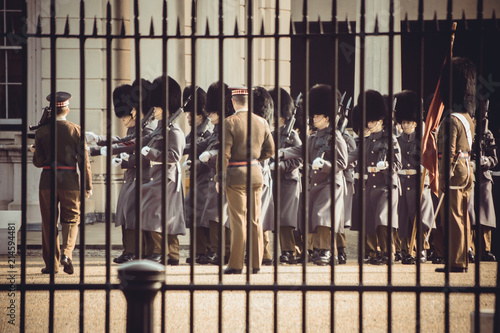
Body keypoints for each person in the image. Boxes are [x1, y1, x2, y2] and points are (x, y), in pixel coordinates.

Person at [86, 82, 155, 264]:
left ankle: (135, 251)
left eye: (125, 115)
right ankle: (130, 250)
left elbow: (145, 158)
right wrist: (98, 141)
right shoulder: (135, 128)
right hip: (131, 178)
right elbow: (122, 141)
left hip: (142, 178)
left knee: (133, 216)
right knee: (126, 215)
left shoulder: (146, 129)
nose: (122, 119)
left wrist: (125, 161)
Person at [280, 84, 348, 266]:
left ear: (327, 117)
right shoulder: (314, 136)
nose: (314, 118)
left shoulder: (336, 137)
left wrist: (325, 164)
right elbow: (301, 150)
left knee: (323, 217)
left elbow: (342, 163)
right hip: (316, 183)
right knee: (314, 218)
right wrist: (283, 153)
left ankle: (326, 251)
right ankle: (320, 249)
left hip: (330, 183)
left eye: (317, 115)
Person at [216, 86, 275, 274]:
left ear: (233, 102)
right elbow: (270, 150)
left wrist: (220, 177)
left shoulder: (229, 122)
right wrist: (255, 161)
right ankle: (256, 263)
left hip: (236, 175)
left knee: (238, 220)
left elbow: (224, 154)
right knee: (255, 219)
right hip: (256, 174)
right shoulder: (262, 121)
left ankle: (235, 264)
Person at [32, 92, 92, 274]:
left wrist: (34, 150)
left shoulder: (41, 131)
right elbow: (85, 162)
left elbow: (38, 162)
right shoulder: (76, 130)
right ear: (67, 109)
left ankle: (52, 265)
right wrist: (87, 186)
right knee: (72, 219)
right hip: (70, 181)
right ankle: (67, 253)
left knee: (49, 222)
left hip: (47, 181)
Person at [351, 90, 402, 265]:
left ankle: (389, 253)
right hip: (371, 185)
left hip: (386, 186)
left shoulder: (391, 139)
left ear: (380, 120)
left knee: (384, 220)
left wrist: (387, 166)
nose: (369, 123)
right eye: (369, 120)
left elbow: (397, 164)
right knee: (373, 220)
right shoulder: (368, 140)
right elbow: (353, 155)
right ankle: (378, 253)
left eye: (372, 120)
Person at [436, 57, 476, 273]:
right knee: (463, 214)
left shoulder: (451, 120)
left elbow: (448, 152)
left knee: (453, 216)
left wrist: (443, 176)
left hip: (454, 170)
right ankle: (463, 256)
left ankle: (456, 261)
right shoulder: (467, 118)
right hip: (467, 168)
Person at [394, 90, 434, 264]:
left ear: (416, 122)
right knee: (404, 218)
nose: (406, 125)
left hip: (418, 183)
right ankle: (405, 249)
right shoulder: (397, 140)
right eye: (403, 122)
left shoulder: (423, 139)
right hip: (403, 182)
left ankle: (421, 249)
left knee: (421, 217)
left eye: (409, 122)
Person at [197, 81, 234, 265]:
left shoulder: (228, 127)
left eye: (212, 112)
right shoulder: (216, 130)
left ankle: (224, 251)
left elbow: (227, 152)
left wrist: (211, 156)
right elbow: (201, 145)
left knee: (222, 216)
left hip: (225, 177)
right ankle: (217, 251)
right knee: (214, 216)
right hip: (215, 179)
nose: (209, 115)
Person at [268, 87, 302, 264]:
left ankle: (291, 251)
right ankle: (285, 250)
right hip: (275, 180)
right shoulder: (273, 134)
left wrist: (279, 166)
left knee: (287, 219)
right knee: (277, 218)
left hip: (289, 181)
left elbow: (298, 159)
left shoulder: (292, 135)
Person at [182, 86, 213, 264]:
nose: (187, 118)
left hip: (205, 179)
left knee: (204, 217)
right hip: (195, 179)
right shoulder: (193, 133)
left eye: (190, 115)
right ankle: (198, 250)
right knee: (194, 215)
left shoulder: (207, 133)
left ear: (200, 116)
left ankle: (207, 250)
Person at [467, 102, 497, 262]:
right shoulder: (465, 131)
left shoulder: (488, 134)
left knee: (485, 215)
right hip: (469, 175)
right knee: (469, 213)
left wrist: (484, 161)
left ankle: (485, 249)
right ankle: (469, 248)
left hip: (484, 177)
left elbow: (494, 159)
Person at [252, 86, 275, 266]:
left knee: (258, 217)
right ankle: (264, 254)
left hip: (261, 176)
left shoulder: (262, 128)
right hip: (256, 175)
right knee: (257, 217)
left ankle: (262, 254)